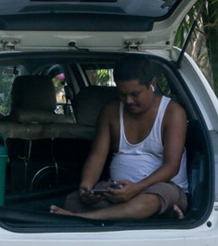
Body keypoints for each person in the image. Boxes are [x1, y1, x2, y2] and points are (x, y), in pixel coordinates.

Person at [50, 55, 188, 219]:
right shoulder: (110, 112)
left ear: (153, 84)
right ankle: (150, 215)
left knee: (150, 201)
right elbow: (97, 157)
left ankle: (90, 218)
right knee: (73, 201)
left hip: (162, 188)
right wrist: (86, 188)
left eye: (135, 94)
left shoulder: (172, 112)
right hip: (118, 191)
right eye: (122, 94)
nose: (128, 100)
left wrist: (136, 188)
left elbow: (171, 166)